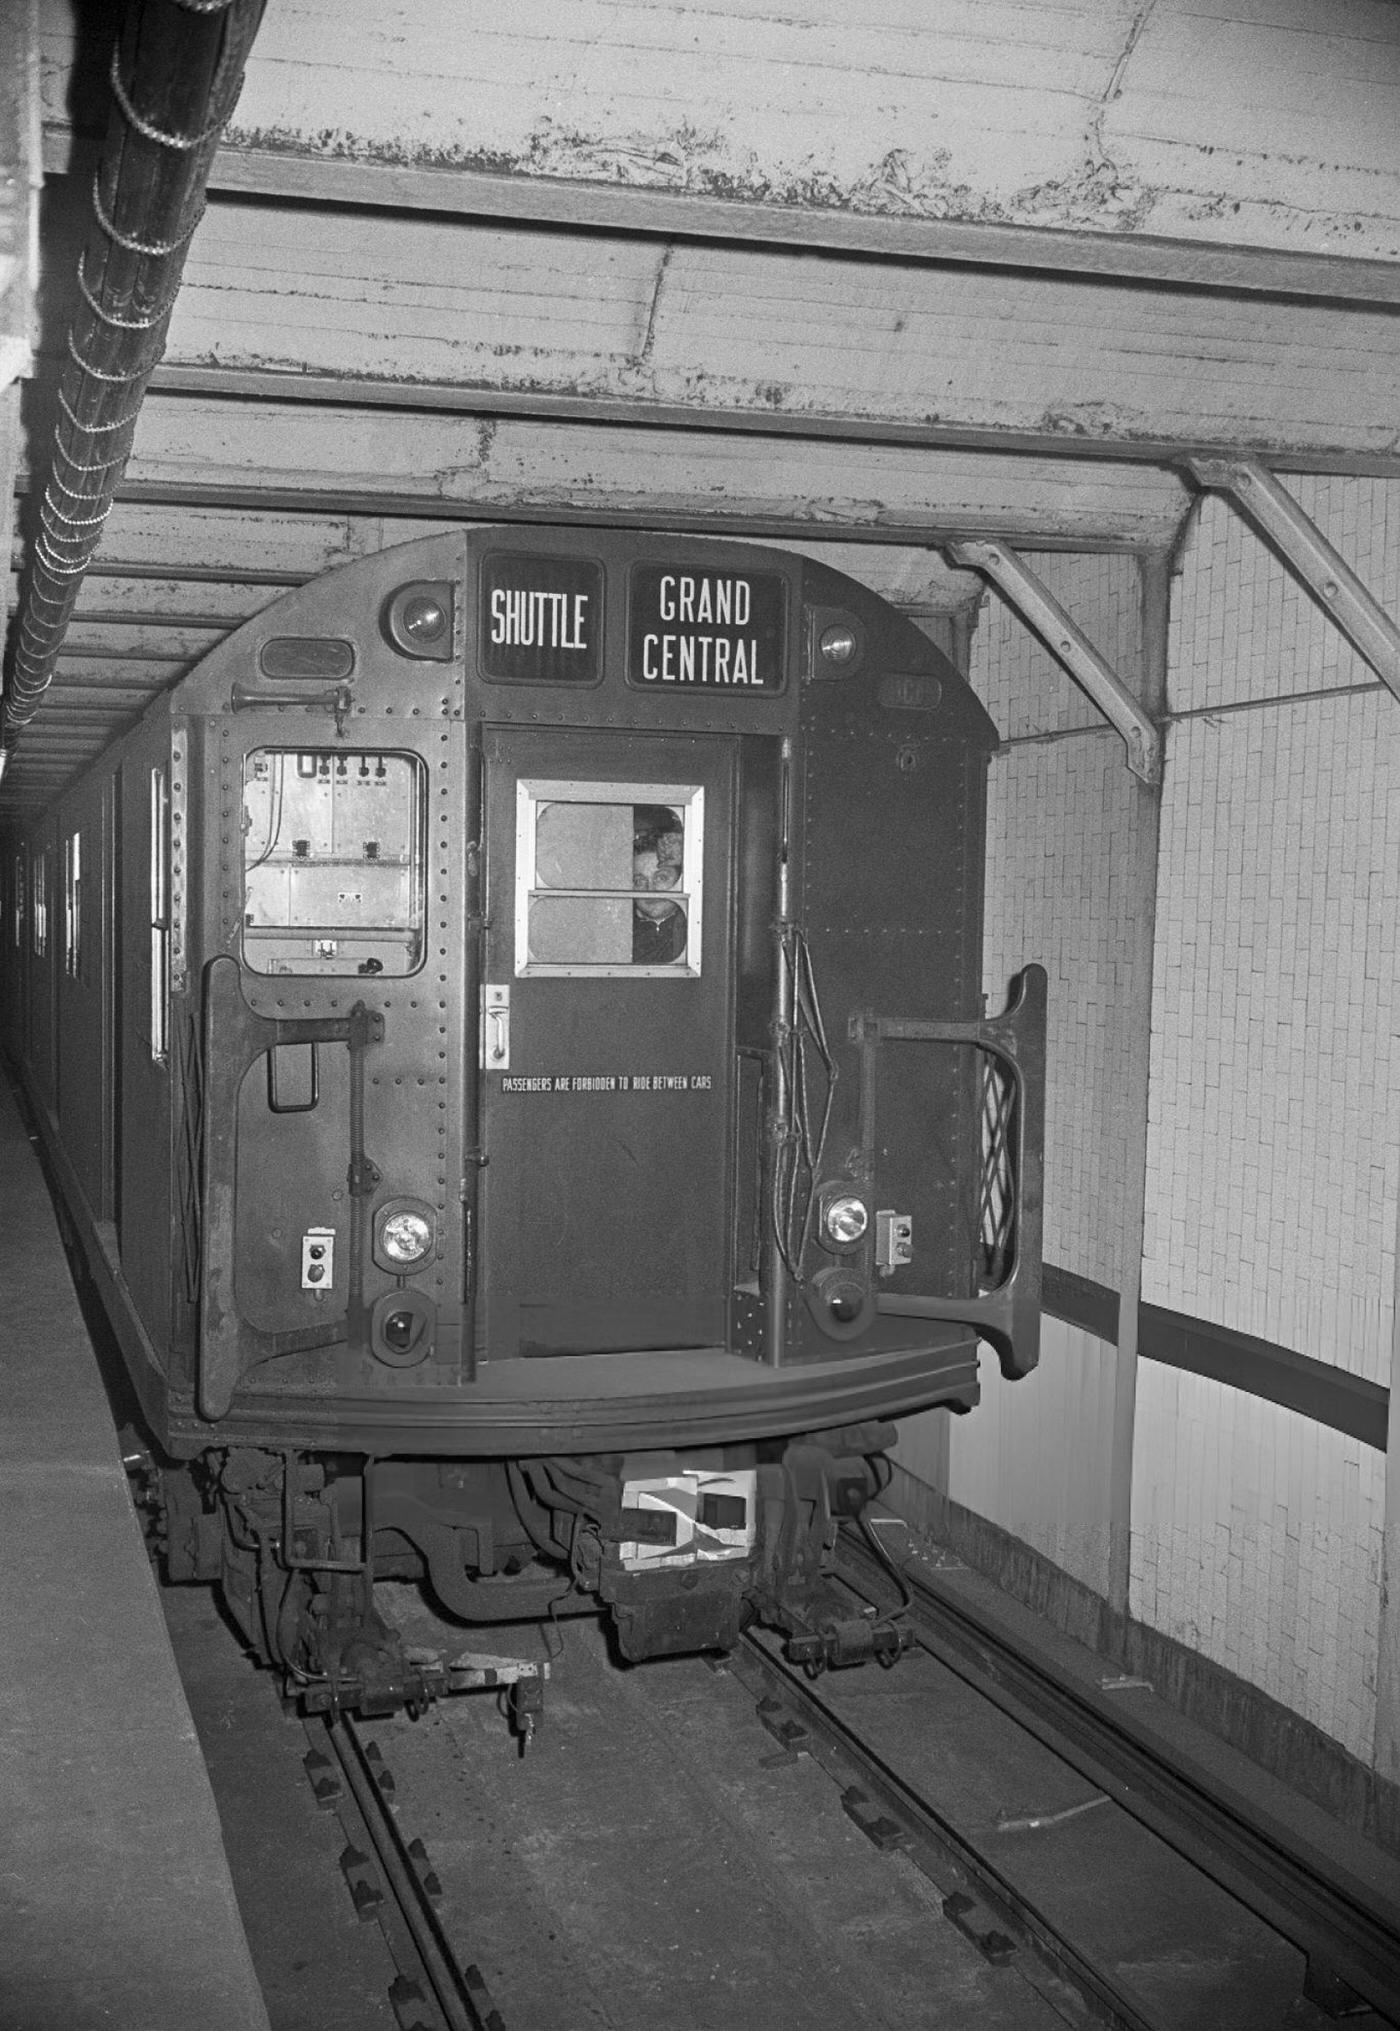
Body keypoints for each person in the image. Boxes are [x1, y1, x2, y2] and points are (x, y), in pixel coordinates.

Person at [632, 806, 687, 963]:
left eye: (661, 878)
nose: (650, 890)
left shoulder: (696, 925)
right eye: (639, 881)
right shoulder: (616, 927)